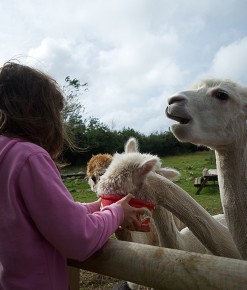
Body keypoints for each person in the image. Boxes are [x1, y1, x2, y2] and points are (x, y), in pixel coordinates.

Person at [0, 61, 146, 290]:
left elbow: (41, 216)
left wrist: (96, 207)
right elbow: (78, 239)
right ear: (39, 112)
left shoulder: (5, 154)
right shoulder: (29, 157)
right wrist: (116, 213)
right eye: (57, 113)